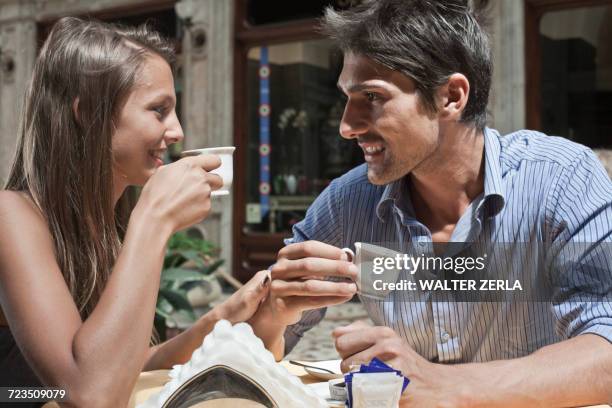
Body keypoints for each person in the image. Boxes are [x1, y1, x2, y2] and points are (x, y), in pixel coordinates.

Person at [248, 0, 612, 406]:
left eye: (372, 96)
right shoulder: (348, 202)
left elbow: (605, 354)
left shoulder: (561, 179)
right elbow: (251, 354)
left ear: (451, 97)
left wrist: (443, 385)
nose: (346, 127)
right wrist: (273, 314)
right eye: (347, 98)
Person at [0, 17, 274, 407]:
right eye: (159, 110)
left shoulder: (109, 217)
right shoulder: (12, 215)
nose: (177, 131)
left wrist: (219, 321)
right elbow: (87, 393)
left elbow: (120, 365)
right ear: (88, 112)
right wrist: (155, 220)